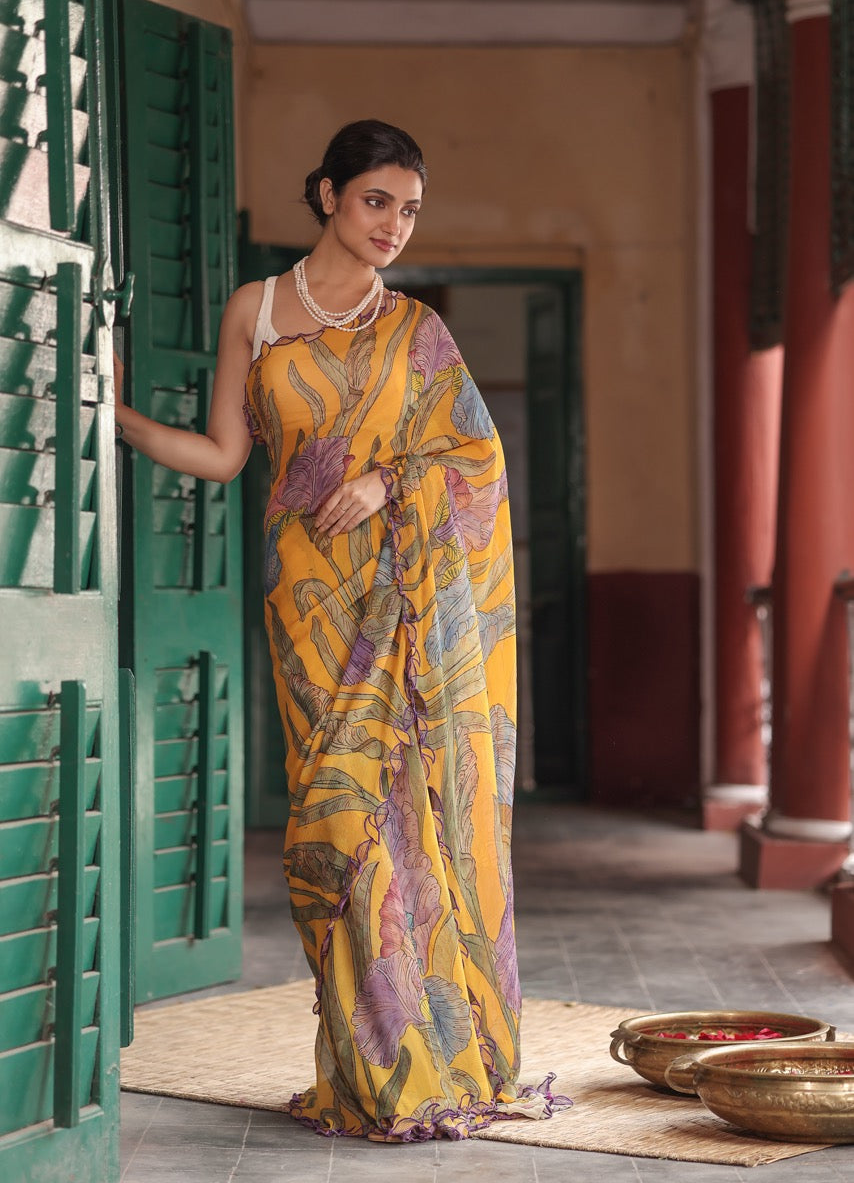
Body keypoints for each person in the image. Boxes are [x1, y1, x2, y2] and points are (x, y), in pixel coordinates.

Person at [114, 119, 568, 1140]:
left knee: (395, 826)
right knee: (335, 830)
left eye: (408, 209)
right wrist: (120, 420)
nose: (393, 225)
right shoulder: (255, 311)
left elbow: (477, 462)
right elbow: (227, 454)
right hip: (306, 610)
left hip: (403, 612)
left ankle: (407, 1069)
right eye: (376, 200)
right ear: (325, 193)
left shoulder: (417, 333)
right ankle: (370, 1059)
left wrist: (386, 477)